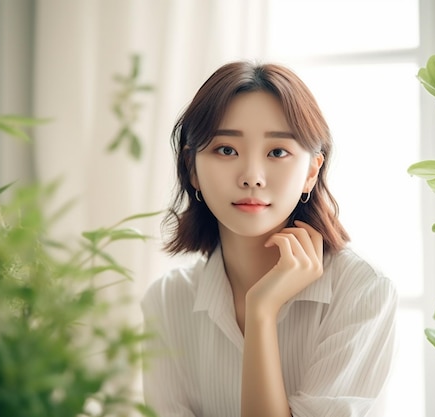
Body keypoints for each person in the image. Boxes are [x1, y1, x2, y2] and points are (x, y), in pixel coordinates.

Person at [141, 61, 397, 417]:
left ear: (311, 171)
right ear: (192, 169)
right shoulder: (167, 302)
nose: (252, 177)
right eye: (226, 150)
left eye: (277, 152)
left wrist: (261, 310)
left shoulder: (362, 290)